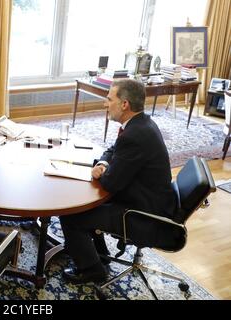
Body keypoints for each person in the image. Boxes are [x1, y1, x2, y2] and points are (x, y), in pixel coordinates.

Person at [59, 79, 176, 284]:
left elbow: (112, 184)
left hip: (143, 214)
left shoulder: (136, 135)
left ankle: (92, 269)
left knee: (70, 215)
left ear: (124, 104)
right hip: (151, 200)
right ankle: (100, 254)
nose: (105, 104)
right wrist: (104, 163)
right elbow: (113, 150)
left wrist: (100, 173)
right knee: (85, 206)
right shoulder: (140, 124)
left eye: (109, 99)